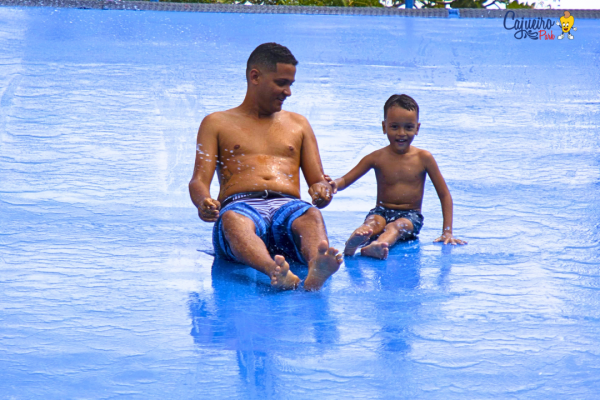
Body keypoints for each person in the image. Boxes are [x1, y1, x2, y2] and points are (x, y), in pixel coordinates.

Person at [189, 43, 342, 291]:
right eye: (281, 83)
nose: (288, 92)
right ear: (255, 76)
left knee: (311, 215)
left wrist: (321, 191)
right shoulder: (217, 123)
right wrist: (203, 201)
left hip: (288, 206)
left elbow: (316, 180)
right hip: (240, 204)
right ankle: (273, 270)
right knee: (232, 220)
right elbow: (198, 181)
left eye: (291, 84)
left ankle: (317, 266)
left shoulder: (299, 124)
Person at [331, 94, 467, 260]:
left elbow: (444, 195)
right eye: (394, 127)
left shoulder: (424, 158)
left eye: (408, 127)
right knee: (372, 224)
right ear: (384, 127)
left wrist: (447, 231)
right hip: (381, 211)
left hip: (410, 216)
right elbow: (345, 180)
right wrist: (333, 184)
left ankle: (379, 244)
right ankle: (354, 242)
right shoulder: (376, 157)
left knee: (396, 226)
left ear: (417, 128)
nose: (401, 133)